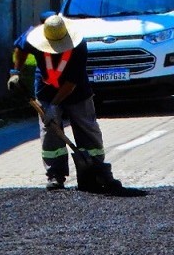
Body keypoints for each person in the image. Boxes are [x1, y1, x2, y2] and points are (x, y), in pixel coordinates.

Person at [7, 14, 121, 192]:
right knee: (50, 132)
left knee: (87, 128)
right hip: (45, 90)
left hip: (77, 92)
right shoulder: (33, 37)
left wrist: (54, 106)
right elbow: (20, 49)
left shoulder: (79, 46)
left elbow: (71, 83)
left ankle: (97, 170)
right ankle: (55, 175)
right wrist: (15, 72)